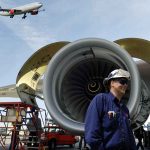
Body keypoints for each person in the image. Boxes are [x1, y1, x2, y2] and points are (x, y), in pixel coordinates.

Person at [84, 69, 137, 150]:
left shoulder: (124, 109)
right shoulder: (100, 99)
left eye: (126, 83)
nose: (125, 85)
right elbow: (92, 135)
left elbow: (130, 135)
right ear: (112, 83)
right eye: (122, 81)